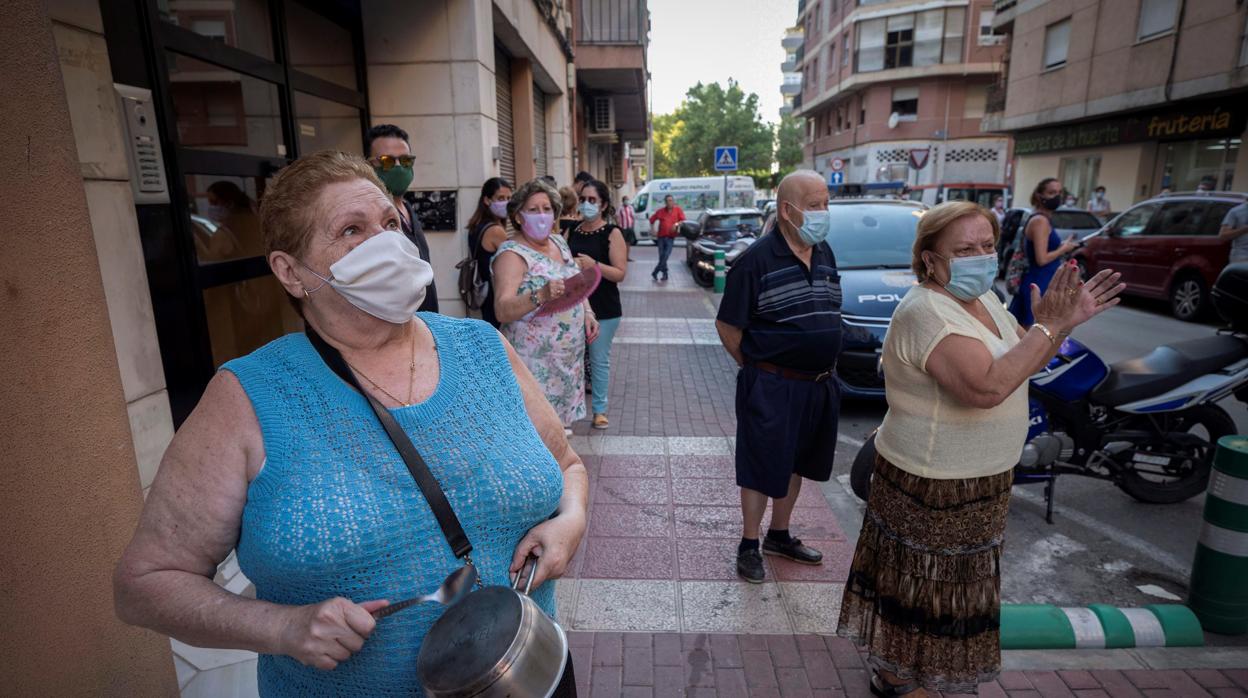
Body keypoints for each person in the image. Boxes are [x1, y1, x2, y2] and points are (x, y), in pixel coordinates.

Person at [112, 151, 588, 695]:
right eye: (352, 230)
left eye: (390, 224)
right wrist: (280, 628)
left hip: (525, 671)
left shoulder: (484, 349)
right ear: (290, 272)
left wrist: (569, 520)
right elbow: (143, 585)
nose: (385, 243)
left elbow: (567, 463)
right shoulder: (248, 396)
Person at [837, 201, 1124, 696]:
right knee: (922, 589)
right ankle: (896, 679)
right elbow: (987, 388)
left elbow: (1024, 359)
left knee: (952, 593)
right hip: (933, 483)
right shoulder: (927, 311)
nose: (980, 257)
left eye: (987, 246)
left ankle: (919, 671)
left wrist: (1063, 323)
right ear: (930, 259)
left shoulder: (984, 300)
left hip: (980, 480)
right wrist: (1049, 327)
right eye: (964, 249)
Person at [715, 170, 843, 584]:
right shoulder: (755, 260)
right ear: (788, 210)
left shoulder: (824, 252)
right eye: (815, 204)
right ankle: (749, 543)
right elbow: (728, 327)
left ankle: (779, 534)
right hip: (770, 383)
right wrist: (756, 368)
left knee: (796, 462)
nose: (824, 212)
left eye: (827, 203)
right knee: (759, 465)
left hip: (818, 384)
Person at [493, 179, 600, 433]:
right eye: (533, 210)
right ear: (518, 216)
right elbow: (502, 309)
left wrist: (587, 311)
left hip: (566, 361)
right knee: (538, 433)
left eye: (547, 208)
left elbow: (574, 282)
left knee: (561, 432)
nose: (542, 215)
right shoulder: (512, 254)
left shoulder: (559, 243)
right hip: (534, 364)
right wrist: (540, 294)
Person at [567, 179, 628, 430]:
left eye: (592, 200)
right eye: (583, 199)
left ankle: (599, 410)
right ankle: (568, 409)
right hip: (574, 305)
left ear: (603, 204)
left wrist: (594, 265)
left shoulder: (612, 233)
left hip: (604, 306)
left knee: (598, 358)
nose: (586, 204)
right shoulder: (572, 230)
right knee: (571, 359)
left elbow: (619, 273)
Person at [365, 124, 438, 313]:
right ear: (369, 164)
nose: (398, 167)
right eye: (387, 161)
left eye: (406, 161)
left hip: (426, 323)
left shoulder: (407, 208)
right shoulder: (368, 219)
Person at [1008, 178, 1079, 326]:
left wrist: (1062, 245)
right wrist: (1063, 249)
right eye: (1052, 192)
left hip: (1043, 281)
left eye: (1060, 192)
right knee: (1031, 333)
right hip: (1038, 282)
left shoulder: (1043, 219)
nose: (1057, 196)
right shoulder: (1040, 221)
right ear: (1040, 196)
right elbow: (1042, 259)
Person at [465, 177, 513, 328]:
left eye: (509, 198)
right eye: (500, 198)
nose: (506, 202)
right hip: (495, 294)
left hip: (485, 294)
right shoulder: (495, 231)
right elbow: (515, 257)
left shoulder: (476, 226)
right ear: (487, 200)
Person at [649, 194, 685, 281]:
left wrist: (676, 224)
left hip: (670, 237)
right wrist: (653, 229)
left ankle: (655, 271)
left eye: (671, 200)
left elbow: (683, 220)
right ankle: (665, 274)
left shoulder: (678, 210)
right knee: (662, 256)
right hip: (661, 237)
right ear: (665, 202)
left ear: (673, 201)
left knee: (666, 255)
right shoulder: (660, 211)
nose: (670, 202)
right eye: (668, 201)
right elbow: (651, 220)